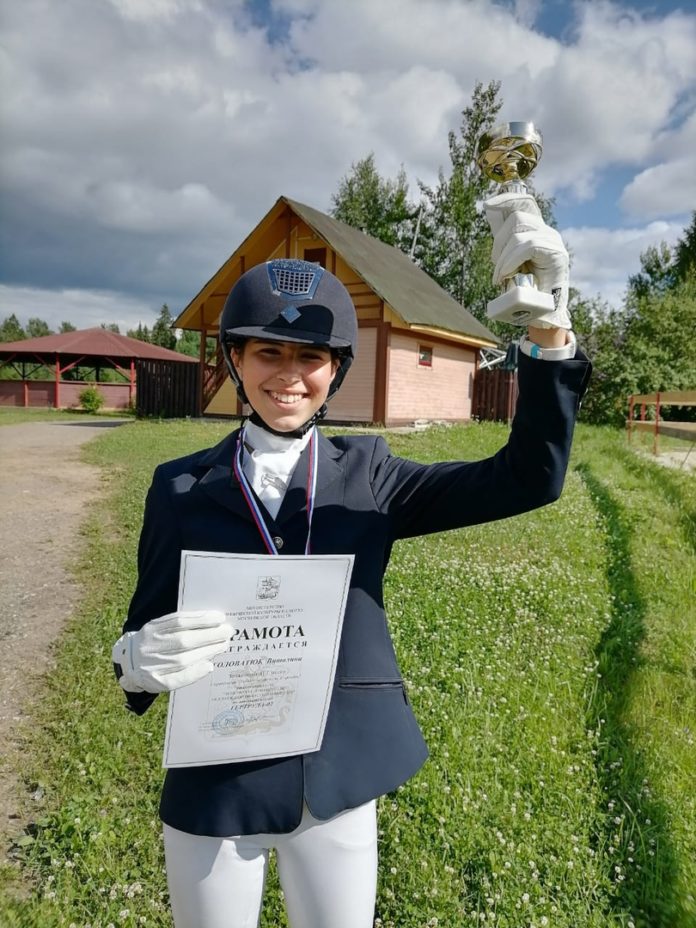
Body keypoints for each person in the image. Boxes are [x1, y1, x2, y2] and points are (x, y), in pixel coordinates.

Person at [112, 192, 591, 928]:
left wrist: (550, 326)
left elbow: (528, 479)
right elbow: (142, 628)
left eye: (312, 358)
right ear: (237, 360)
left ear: (336, 371)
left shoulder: (372, 475)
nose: (290, 376)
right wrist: (137, 658)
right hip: (219, 778)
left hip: (336, 775)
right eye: (269, 352)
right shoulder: (177, 487)